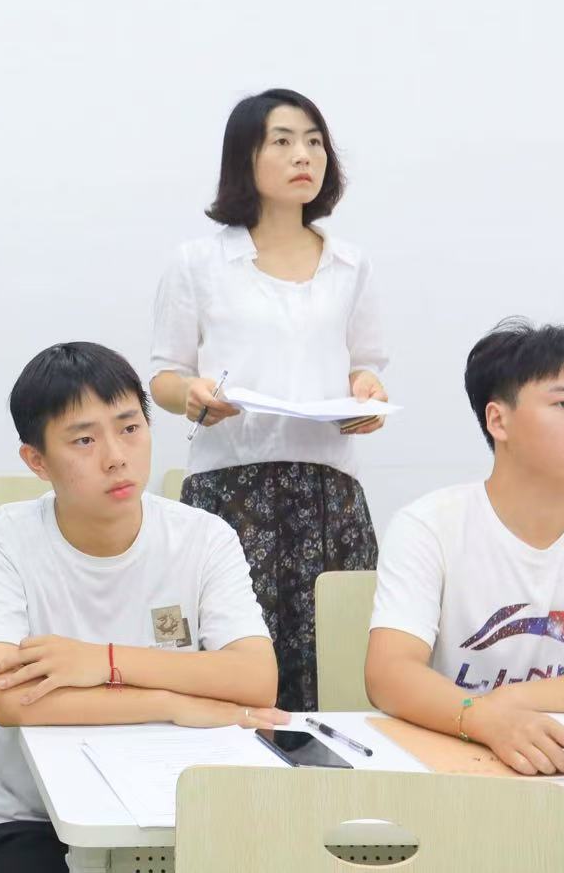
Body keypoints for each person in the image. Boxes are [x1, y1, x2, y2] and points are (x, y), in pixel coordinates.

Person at [0, 341, 282, 872]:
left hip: (182, 804)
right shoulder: (0, 545)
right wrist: (174, 703)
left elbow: (256, 679)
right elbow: (10, 701)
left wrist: (103, 662)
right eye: (84, 440)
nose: (116, 456)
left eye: (130, 428)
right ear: (36, 461)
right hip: (34, 818)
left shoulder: (204, 537)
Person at [148, 87, 388, 711]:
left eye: (314, 141)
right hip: (231, 489)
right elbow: (165, 376)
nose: (303, 155)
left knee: (334, 673)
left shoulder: (351, 264)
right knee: (232, 674)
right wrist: (192, 395)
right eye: (282, 141)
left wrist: (367, 393)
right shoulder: (199, 262)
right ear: (244, 157)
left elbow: (366, 368)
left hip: (329, 493)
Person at [366, 319, 564, 776]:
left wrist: (509, 702)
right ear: (498, 420)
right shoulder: (428, 526)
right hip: (465, 760)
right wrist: (484, 720)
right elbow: (389, 674)